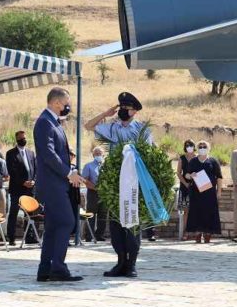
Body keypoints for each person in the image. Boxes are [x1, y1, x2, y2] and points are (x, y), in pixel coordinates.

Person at [85, 92, 152, 277]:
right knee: (116, 224)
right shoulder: (113, 128)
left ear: (134, 111)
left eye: (126, 108)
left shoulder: (142, 130)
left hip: (134, 182)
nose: (122, 110)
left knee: (132, 223)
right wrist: (105, 114)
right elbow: (88, 126)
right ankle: (120, 262)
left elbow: (147, 155)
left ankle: (132, 264)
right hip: (115, 181)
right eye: (121, 107)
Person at [34, 87, 85, 282]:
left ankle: (45, 268)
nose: (68, 107)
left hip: (56, 183)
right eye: (66, 103)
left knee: (54, 226)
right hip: (52, 184)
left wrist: (70, 168)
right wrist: (68, 173)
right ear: (56, 103)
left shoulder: (53, 122)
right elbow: (48, 154)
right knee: (66, 222)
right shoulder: (45, 122)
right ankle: (58, 268)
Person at [185, 141, 223, 243]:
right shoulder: (193, 161)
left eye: (204, 146)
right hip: (196, 192)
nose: (202, 148)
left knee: (209, 213)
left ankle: (207, 234)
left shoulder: (213, 161)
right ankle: (197, 234)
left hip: (210, 193)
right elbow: (186, 175)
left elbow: (219, 177)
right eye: (200, 146)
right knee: (196, 212)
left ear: (208, 148)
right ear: (197, 148)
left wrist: (219, 191)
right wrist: (190, 175)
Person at [5, 131, 37, 246]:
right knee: (14, 213)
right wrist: (23, 182)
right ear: (17, 139)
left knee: (30, 213)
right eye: (21, 138)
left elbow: (35, 169)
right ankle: (11, 237)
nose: (23, 140)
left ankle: (30, 236)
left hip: (30, 189)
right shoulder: (11, 153)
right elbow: (12, 171)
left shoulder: (31, 153)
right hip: (17, 189)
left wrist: (33, 180)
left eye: (24, 138)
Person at [81, 146, 107, 242]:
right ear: (93, 155)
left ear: (103, 155)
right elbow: (84, 179)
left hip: (104, 193)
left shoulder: (106, 166)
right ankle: (89, 236)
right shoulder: (88, 166)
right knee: (91, 214)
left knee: (103, 215)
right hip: (93, 192)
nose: (98, 155)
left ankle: (99, 235)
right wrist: (95, 187)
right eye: (96, 154)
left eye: (100, 153)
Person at [177, 139, 196, 241]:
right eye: (187, 145)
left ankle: (196, 232)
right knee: (186, 211)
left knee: (197, 210)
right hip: (185, 188)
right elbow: (178, 173)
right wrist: (185, 183)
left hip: (196, 187)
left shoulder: (197, 158)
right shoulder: (182, 158)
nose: (189, 147)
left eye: (191, 145)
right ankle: (186, 232)